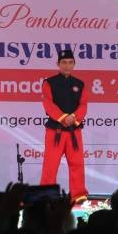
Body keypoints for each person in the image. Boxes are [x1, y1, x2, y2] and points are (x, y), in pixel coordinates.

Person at [40, 49, 89, 203]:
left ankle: (78, 194)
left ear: (74, 64)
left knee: (77, 163)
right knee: (51, 164)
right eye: (63, 62)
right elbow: (48, 104)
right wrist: (63, 117)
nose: (67, 65)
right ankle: (46, 194)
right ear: (58, 64)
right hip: (56, 130)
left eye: (70, 62)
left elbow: (83, 104)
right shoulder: (49, 82)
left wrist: (74, 117)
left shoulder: (80, 84)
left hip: (74, 130)